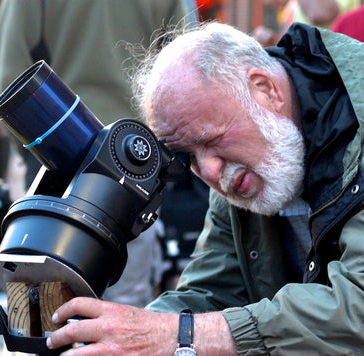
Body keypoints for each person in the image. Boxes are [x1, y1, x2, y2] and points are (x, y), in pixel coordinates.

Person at [43, 21, 364, 355]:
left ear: (265, 89)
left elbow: (357, 307)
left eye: (213, 140)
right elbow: (212, 291)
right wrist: (124, 335)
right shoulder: (239, 160)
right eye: (189, 158)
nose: (210, 171)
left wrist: (179, 335)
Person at [0, 0, 202, 307]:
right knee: (125, 305)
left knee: (41, 306)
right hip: (132, 161)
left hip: (56, 153)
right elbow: (190, 65)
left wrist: (29, 152)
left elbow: (9, 77)